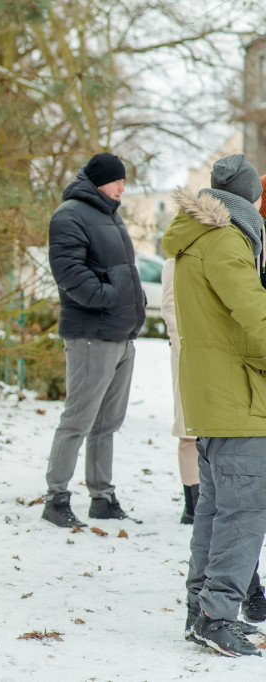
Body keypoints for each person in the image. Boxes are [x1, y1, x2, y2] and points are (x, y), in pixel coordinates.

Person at [162, 153, 266, 656]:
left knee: (214, 509)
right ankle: (217, 616)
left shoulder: (196, 237)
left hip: (212, 393)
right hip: (238, 395)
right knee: (242, 511)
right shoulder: (227, 241)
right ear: (250, 195)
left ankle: (200, 610)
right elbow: (256, 313)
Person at [40, 152, 146, 528]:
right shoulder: (69, 215)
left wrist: (133, 304)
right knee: (78, 420)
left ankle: (102, 496)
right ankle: (56, 498)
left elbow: (123, 271)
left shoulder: (108, 214)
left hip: (121, 333)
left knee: (108, 423)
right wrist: (108, 297)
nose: (123, 187)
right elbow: (69, 272)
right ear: (100, 181)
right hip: (90, 335)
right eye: (118, 180)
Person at [161, 257, 200, 524]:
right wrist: (185, 348)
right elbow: (170, 309)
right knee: (188, 430)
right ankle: (193, 504)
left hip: (218, 357)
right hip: (188, 356)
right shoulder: (174, 262)